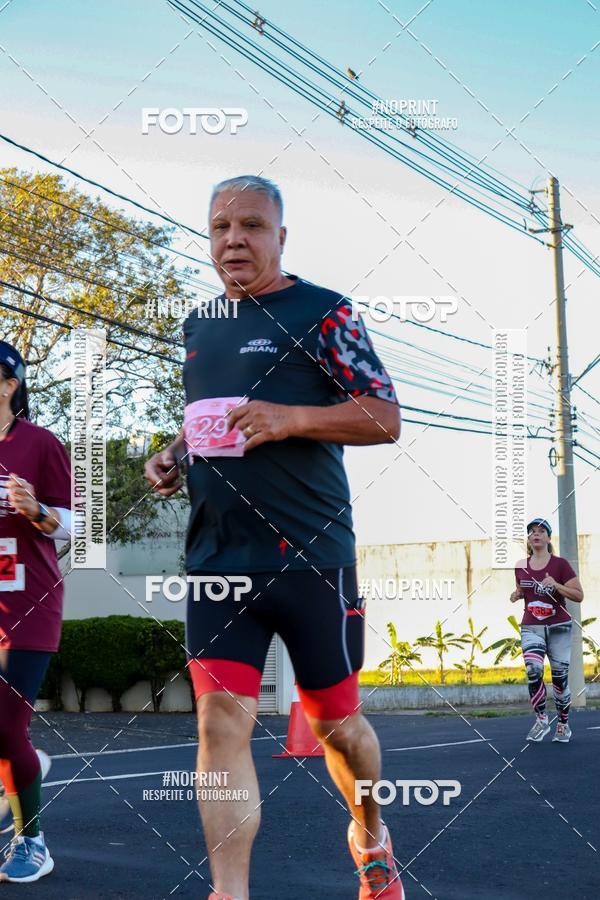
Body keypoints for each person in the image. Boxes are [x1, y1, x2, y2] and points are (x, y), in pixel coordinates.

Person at [144, 176, 404, 900]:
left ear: (280, 237)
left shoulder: (325, 313)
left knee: (338, 730)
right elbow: (214, 418)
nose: (234, 238)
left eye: (252, 225)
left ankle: (371, 838)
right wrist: (176, 455)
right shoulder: (199, 324)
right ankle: (229, 892)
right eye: (221, 225)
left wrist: (291, 419)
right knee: (218, 723)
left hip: (312, 558)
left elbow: (384, 416)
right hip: (217, 561)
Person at [0, 341, 72, 883]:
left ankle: (33, 842)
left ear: (9, 385)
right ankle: (22, 768)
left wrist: (39, 511)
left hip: (28, 606)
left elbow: (77, 527)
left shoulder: (40, 445)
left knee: (5, 728)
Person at [511, 517, 584, 743]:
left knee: (560, 680)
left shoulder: (560, 564)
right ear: (529, 538)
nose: (536, 534)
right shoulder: (520, 566)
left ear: (548, 538)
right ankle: (541, 719)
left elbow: (579, 595)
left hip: (558, 626)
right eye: (532, 531)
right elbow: (523, 590)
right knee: (533, 671)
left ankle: (563, 723)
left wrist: (557, 585)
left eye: (541, 531)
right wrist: (517, 595)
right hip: (531, 625)